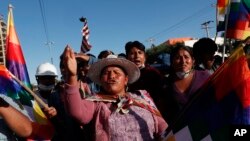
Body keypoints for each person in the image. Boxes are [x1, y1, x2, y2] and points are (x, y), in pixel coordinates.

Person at [61, 45, 168, 141]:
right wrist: (71, 76)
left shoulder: (142, 96)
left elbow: (162, 127)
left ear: (126, 79)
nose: (112, 76)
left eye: (116, 73)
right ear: (101, 80)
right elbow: (77, 112)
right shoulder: (95, 102)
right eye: (106, 73)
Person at [160, 45, 210, 125]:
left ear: (193, 60)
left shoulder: (205, 76)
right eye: (177, 58)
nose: (183, 61)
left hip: (205, 128)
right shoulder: (165, 84)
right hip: (179, 132)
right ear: (172, 62)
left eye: (186, 57)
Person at [35, 62, 84, 141]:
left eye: (50, 78)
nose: (47, 81)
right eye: (43, 78)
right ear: (37, 79)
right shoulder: (32, 98)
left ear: (55, 79)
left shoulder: (63, 95)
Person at [125, 41, 165, 107]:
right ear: (127, 57)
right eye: (132, 53)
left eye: (140, 53)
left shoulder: (153, 73)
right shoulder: (125, 75)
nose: (137, 56)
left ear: (145, 56)